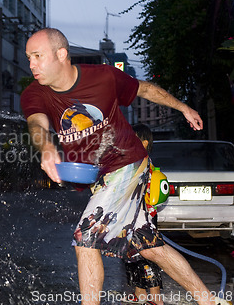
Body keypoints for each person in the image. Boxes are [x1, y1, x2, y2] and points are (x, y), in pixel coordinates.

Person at [20, 27, 227, 305]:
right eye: (28, 57)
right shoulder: (35, 93)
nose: (31, 64)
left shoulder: (104, 77)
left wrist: (183, 108)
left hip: (127, 163)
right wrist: (46, 148)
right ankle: (209, 300)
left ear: (61, 54)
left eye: (37, 56)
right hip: (103, 175)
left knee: (86, 238)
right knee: (150, 247)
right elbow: (37, 123)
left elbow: (146, 88)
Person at [124, 123, 163, 305]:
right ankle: (139, 294)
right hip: (131, 219)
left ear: (144, 143)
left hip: (143, 220)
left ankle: (155, 298)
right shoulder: (132, 161)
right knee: (132, 258)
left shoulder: (144, 163)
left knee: (148, 258)